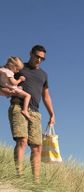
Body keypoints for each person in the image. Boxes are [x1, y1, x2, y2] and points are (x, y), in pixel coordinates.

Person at [8, 45, 56, 182]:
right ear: (30, 53)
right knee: (22, 140)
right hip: (18, 107)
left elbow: (46, 96)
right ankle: (20, 177)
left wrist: (52, 114)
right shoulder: (19, 66)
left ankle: (36, 182)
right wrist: (6, 91)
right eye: (37, 57)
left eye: (42, 59)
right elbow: (3, 74)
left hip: (35, 112)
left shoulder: (43, 75)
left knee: (37, 147)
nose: (39, 60)